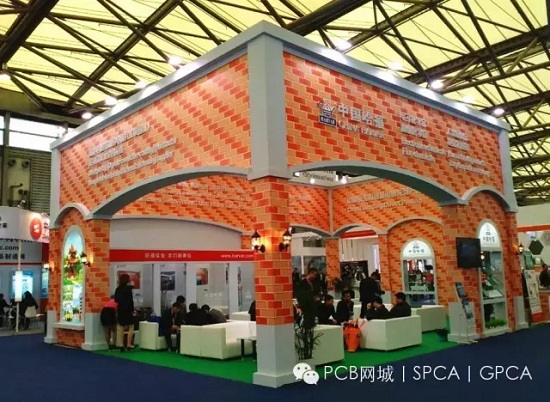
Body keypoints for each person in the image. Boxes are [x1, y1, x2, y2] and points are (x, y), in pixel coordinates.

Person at [115, 274, 135, 352]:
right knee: (131, 326)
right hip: (128, 310)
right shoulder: (128, 289)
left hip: (120, 310)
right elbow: (130, 300)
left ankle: (121, 345)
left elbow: (116, 300)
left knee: (121, 327)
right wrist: (132, 309)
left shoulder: (118, 289)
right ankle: (129, 344)